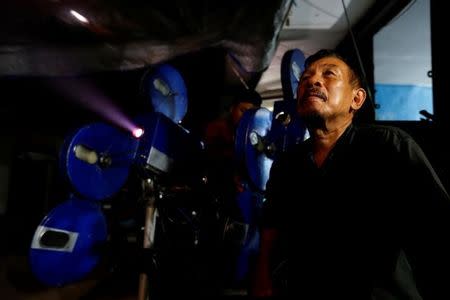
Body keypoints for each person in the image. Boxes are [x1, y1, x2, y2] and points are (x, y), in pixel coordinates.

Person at [251, 49, 450, 298]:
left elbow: (440, 229)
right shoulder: (287, 164)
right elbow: (272, 228)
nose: (312, 81)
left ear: (356, 99)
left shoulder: (389, 146)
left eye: (329, 74)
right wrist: (262, 282)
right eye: (305, 78)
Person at [203, 88, 262, 291]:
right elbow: (211, 161)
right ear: (232, 109)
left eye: (252, 113)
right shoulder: (217, 128)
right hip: (217, 202)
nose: (247, 117)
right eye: (243, 110)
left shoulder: (257, 134)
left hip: (246, 205)